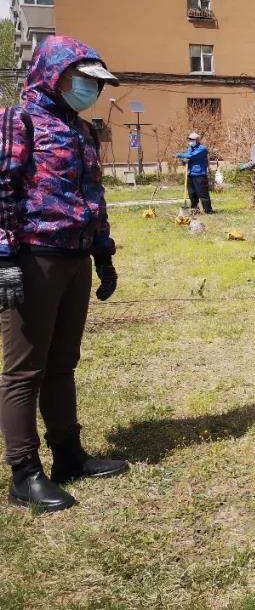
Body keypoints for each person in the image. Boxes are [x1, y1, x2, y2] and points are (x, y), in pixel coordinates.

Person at [0, 36, 130, 513]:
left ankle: (68, 455)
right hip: (34, 256)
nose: (92, 92)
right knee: (24, 369)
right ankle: (24, 472)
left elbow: (93, 196)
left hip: (74, 257)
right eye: (85, 82)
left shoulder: (79, 129)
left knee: (62, 362)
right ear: (55, 75)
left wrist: (103, 253)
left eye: (98, 85)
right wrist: (4, 259)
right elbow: (3, 187)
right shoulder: (21, 120)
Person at [176, 132, 213, 215]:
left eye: (192, 139)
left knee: (202, 194)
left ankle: (208, 211)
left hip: (199, 174)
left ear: (197, 140)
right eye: (189, 139)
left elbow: (191, 156)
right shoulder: (190, 148)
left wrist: (179, 155)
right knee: (192, 194)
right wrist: (184, 160)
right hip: (190, 174)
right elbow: (187, 156)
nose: (190, 141)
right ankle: (195, 210)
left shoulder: (202, 149)